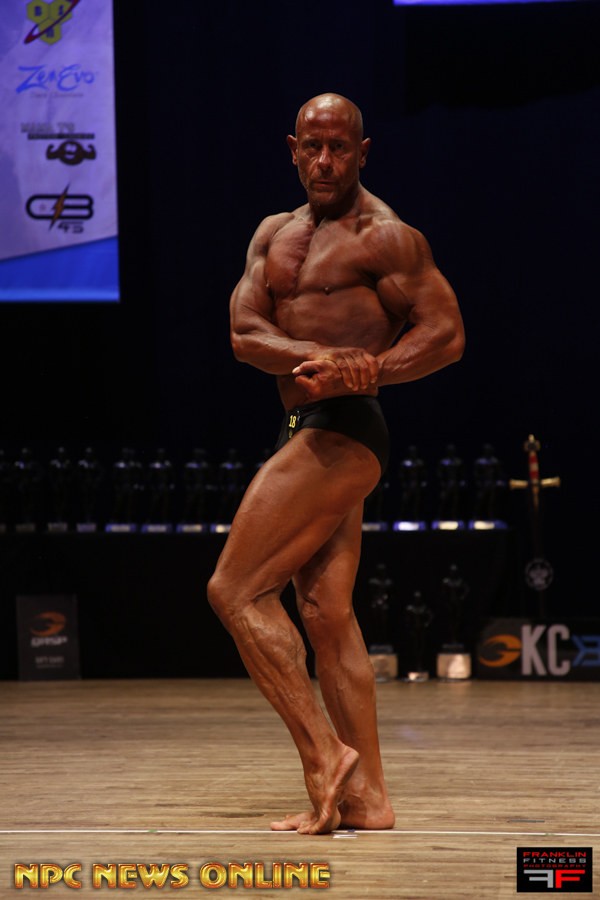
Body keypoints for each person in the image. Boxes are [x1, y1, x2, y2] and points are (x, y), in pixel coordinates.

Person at [207, 93, 465, 834]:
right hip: (304, 424)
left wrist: (374, 369)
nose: (325, 161)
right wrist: (317, 353)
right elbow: (244, 334)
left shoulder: (386, 237)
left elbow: (446, 334)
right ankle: (368, 800)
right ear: (293, 149)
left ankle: (326, 757)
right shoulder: (273, 233)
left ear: (363, 151)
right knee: (325, 613)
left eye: (340, 147)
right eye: (312, 147)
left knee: (235, 590)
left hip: (346, 428)